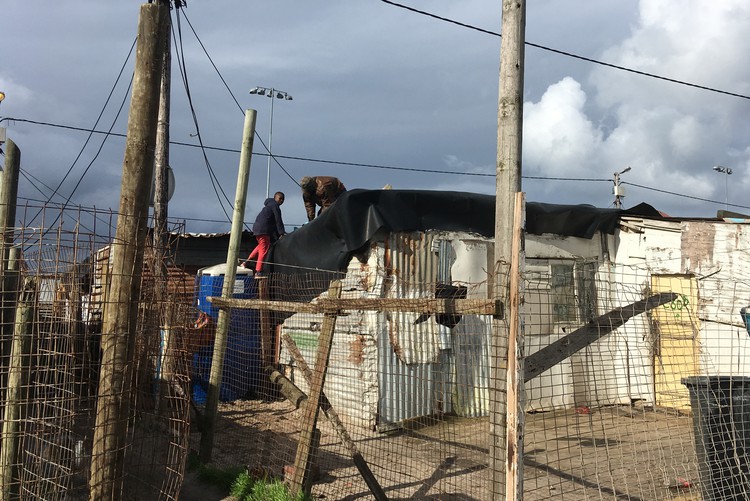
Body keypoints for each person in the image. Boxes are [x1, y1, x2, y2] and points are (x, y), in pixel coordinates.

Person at [242, 191, 286, 274]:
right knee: (264, 250)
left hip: (257, 228)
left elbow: (273, 224)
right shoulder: (275, 205)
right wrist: (281, 233)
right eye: (282, 200)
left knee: (261, 246)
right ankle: (258, 271)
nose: (282, 202)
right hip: (263, 230)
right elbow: (278, 220)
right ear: (279, 199)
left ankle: (247, 262)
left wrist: (276, 235)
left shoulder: (269, 206)